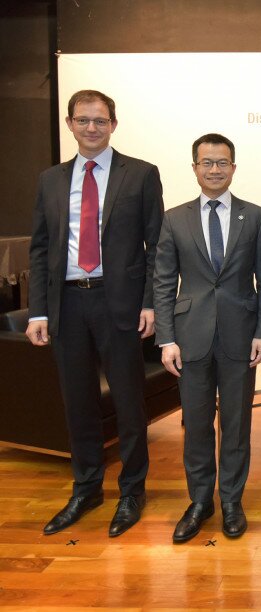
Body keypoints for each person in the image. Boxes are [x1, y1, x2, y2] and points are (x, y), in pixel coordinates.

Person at [26, 89, 164, 537]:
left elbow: (156, 247)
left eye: (99, 120)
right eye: (82, 120)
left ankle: (131, 492)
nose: (91, 127)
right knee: (78, 403)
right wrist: (38, 312)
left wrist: (151, 303)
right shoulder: (50, 179)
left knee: (128, 402)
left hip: (118, 304)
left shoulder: (141, 175)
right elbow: (42, 248)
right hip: (67, 304)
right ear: (70, 124)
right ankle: (86, 489)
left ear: (113, 125)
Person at [153, 133, 261, 543]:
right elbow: (164, 281)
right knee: (198, 425)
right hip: (190, 338)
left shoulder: (256, 216)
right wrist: (166, 338)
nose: (214, 170)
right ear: (194, 168)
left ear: (234, 168)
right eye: (206, 163)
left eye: (222, 162)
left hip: (241, 337)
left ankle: (232, 501)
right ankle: (200, 501)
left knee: (237, 425)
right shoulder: (175, 218)